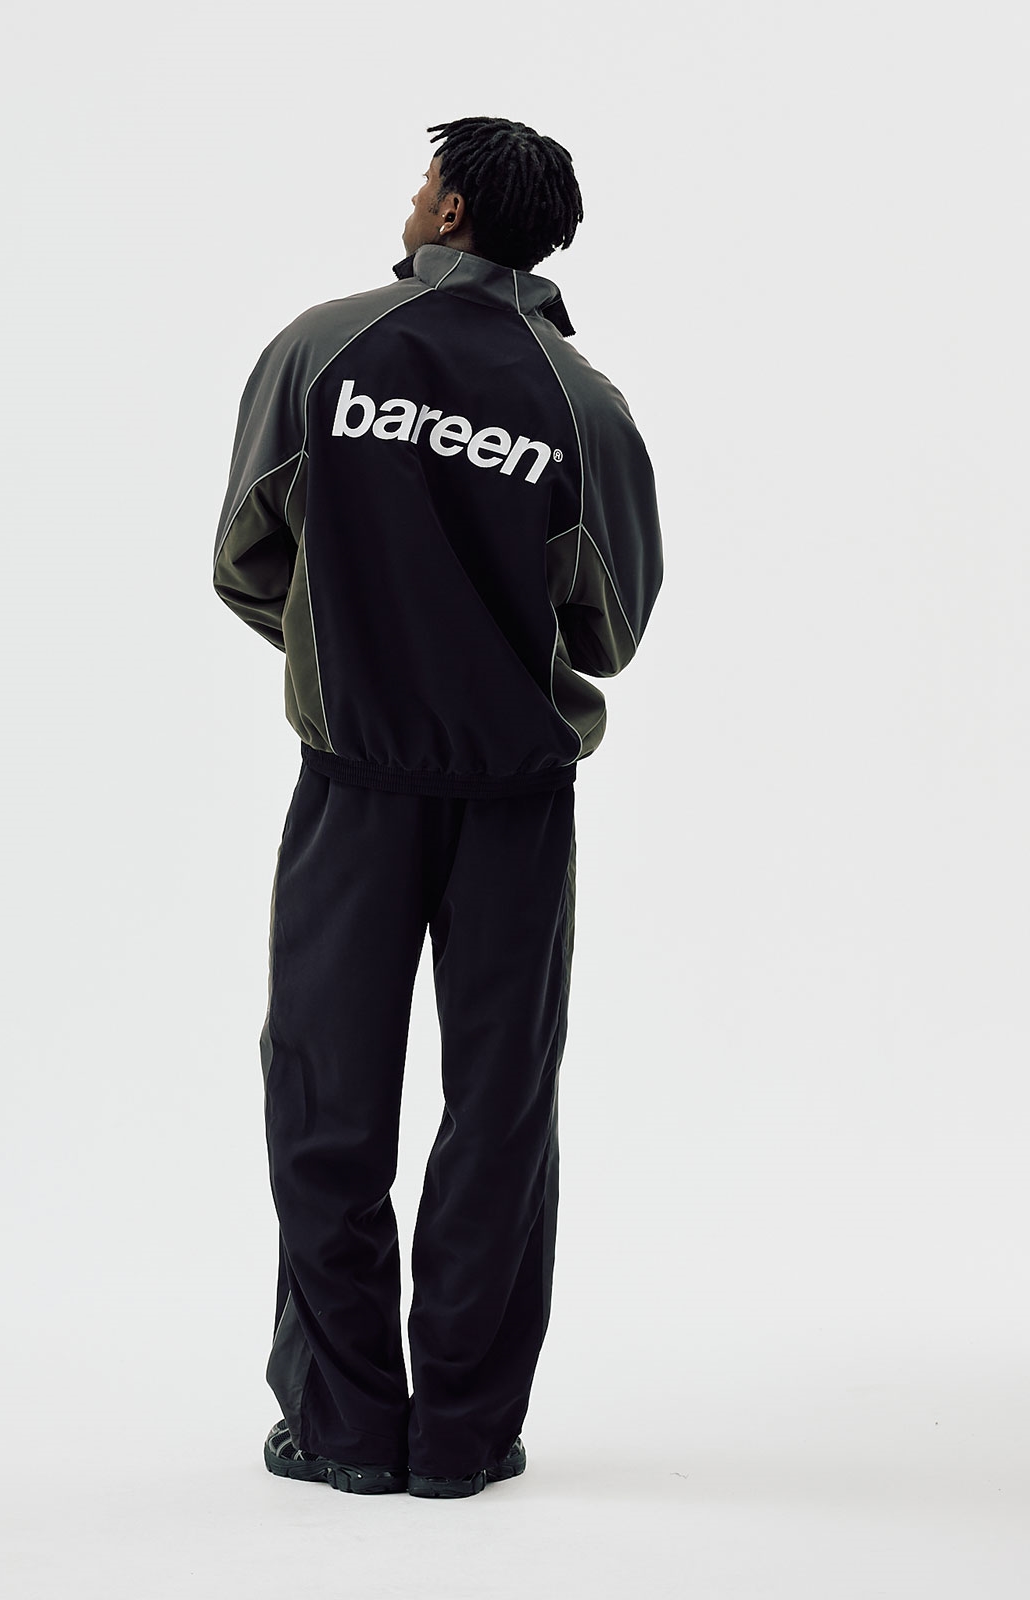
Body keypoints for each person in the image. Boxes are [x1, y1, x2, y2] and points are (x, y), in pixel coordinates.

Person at [212, 116, 664, 1498]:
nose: (409, 201)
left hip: (352, 790)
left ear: (454, 211)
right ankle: (463, 1438)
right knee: (500, 1115)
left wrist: (355, 643)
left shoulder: (323, 350)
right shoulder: (583, 406)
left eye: (423, 184)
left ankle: (344, 1430)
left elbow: (246, 556)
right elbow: (609, 627)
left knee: (326, 1104)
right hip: (518, 806)